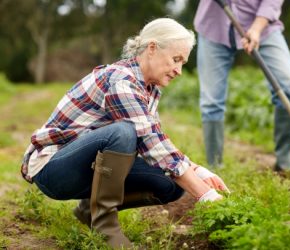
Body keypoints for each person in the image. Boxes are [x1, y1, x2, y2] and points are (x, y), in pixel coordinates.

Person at [20, 18, 229, 249]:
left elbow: (155, 139)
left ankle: (89, 209)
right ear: (152, 48)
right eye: (176, 59)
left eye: (183, 62)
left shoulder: (149, 87)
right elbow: (150, 141)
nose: (179, 70)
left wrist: (197, 171)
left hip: (85, 166)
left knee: (173, 183)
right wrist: (205, 195)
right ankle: (105, 227)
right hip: (53, 169)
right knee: (123, 133)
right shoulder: (123, 81)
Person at [194, 0, 290, 175]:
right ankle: (214, 167)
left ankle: (284, 160)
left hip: (263, 27)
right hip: (213, 27)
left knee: (288, 86)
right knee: (211, 101)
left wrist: (256, 28)